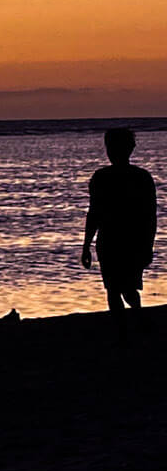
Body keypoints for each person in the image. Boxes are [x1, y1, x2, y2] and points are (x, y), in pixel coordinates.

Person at [83, 127, 155, 335]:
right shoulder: (102, 177)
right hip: (111, 240)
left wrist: (147, 246)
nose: (111, 151)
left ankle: (136, 319)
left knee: (126, 289)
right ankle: (123, 329)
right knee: (114, 289)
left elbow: (149, 216)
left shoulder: (140, 178)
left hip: (128, 241)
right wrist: (86, 245)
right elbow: (94, 212)